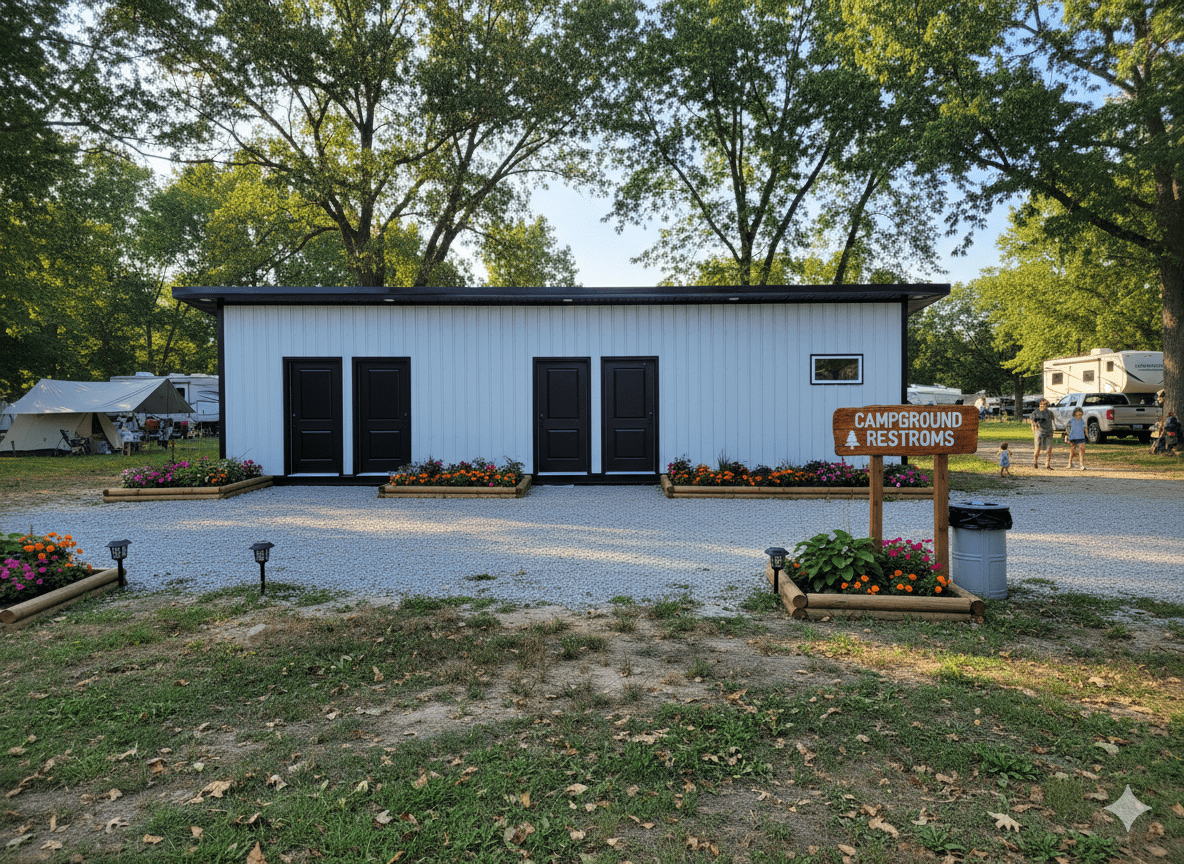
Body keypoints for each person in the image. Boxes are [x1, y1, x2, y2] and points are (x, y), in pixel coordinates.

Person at [1029, 398, 1055, 469]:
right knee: (1037, 449)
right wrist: (1034, 432)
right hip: (1039, 432)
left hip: (1048, 432)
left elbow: (1053, 419)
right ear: (1040, 404)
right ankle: (1035, 462)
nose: (1044, 406)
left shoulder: (1049, 412)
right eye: (1042, 404)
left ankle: (1047, 464)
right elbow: (1032, 422)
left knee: (1049, 449)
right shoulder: (1035, 413)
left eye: (1045, 404)